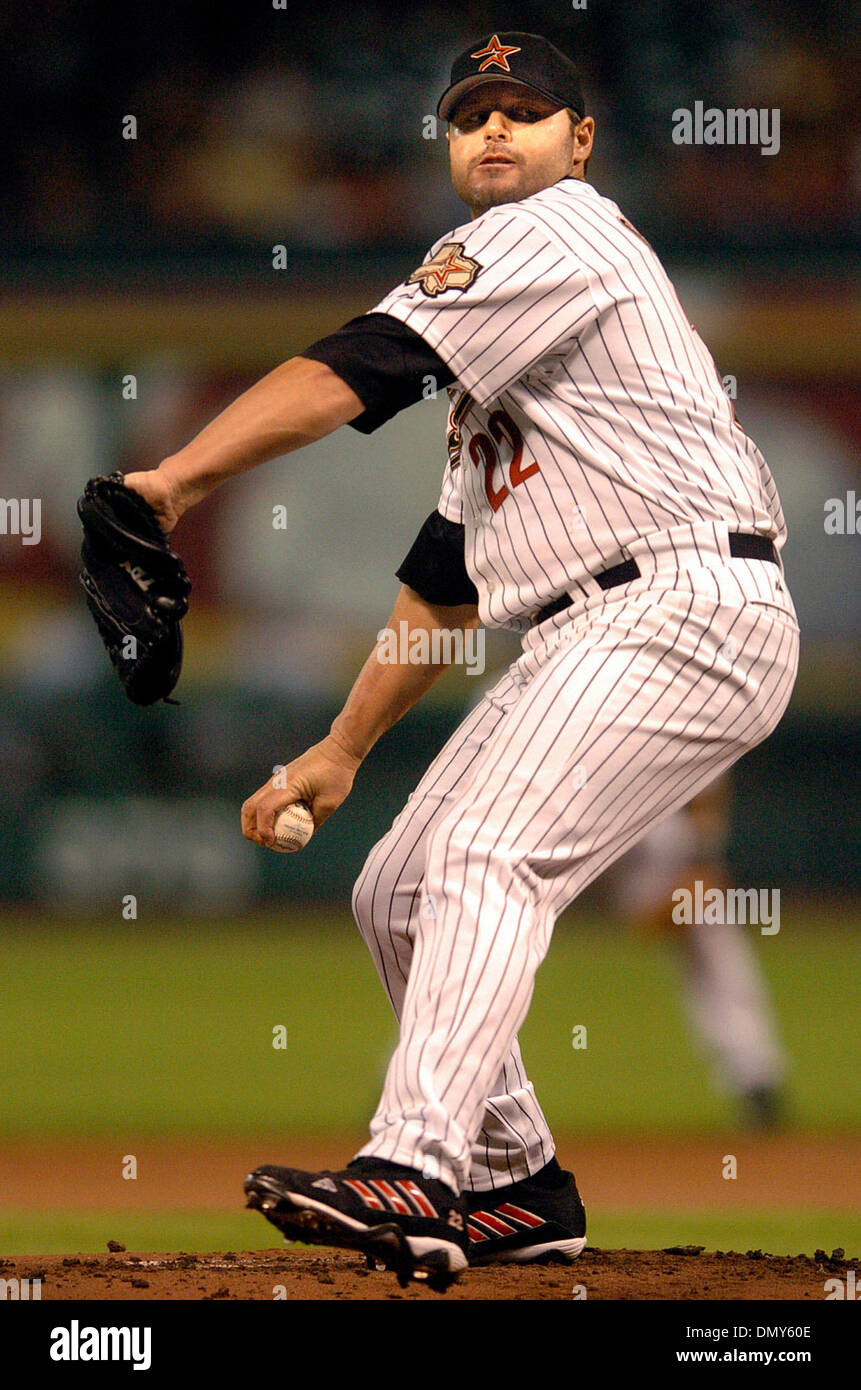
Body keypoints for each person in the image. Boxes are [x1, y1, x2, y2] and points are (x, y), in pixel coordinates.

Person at [124, 32, 800, 1291]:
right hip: (600, 620)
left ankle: (414, 1161)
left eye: (525, 111)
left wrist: (169, 479)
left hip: (685, 602)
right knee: (396, 888)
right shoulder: (507, 355)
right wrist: (339, 748)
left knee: (486, 855)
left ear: (578, 142)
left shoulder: (561, 231)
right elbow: (447, 572)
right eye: (470, 115)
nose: (495, 132)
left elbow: (360, 367)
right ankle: (517, 1187)